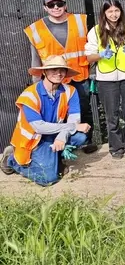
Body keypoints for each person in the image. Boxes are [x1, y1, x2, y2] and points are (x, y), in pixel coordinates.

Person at [1, 55, 92, 185]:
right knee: (49, 179)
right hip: (34, 140)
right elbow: (39, 127)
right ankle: (11, 161)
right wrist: (71, 128)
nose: (59, 73)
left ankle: (56, 159)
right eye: (54, 69)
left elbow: (74, 120)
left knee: (80, 137)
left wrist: (62, 137)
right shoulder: (30, 95)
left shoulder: (70, 91)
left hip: (54, 134)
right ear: (44, 72)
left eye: (62, 70)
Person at [24, 0, 94, 146]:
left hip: (79, 75)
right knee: (56, 113)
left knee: (83, 109)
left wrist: (93, 70)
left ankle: (86, 142)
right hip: (53, 79)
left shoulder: (79, 21)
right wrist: (36, 83)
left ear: (65, 5)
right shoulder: (36, 29)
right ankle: (60, 143)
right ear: (45, 7)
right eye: (51, 5)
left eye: (59, 4)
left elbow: (91, 48)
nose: (56, 7)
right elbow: (35, 58)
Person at [85, 0, 125, 159]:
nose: (114, 14)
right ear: (104, 13)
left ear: (121, 11)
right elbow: (89, 57)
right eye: (110, 11)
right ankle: (116, 148)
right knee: (112, 116)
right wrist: (101, 55)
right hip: (106, 79)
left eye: (116, 10)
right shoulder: (95, 31)